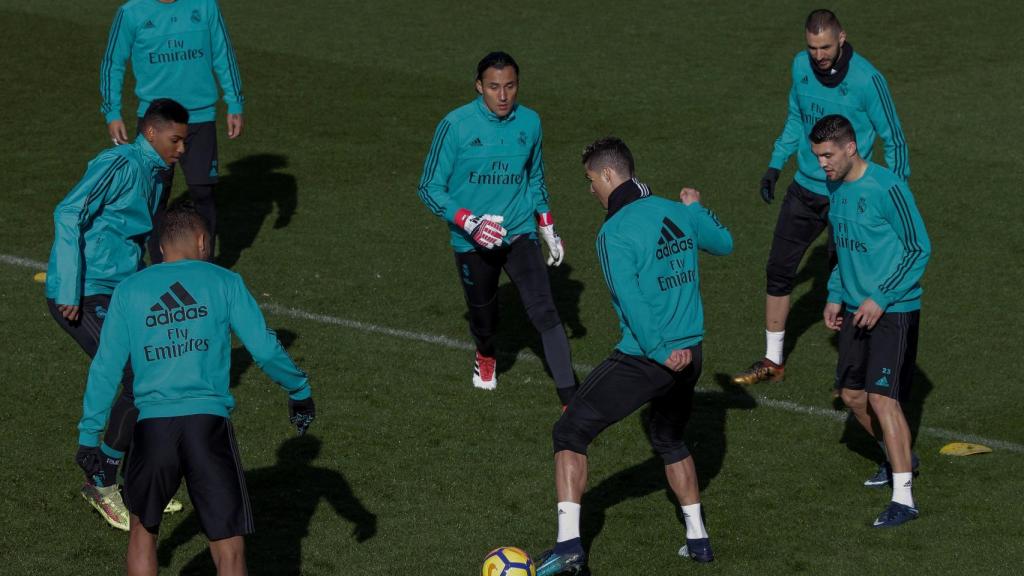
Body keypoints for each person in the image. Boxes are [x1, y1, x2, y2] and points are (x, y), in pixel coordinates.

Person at [75, 202, 316, 575]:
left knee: (143, 530)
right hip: (208, 428)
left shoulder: (129, 290)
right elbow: (265, 349)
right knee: (228, 545)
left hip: (152, 429)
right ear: (203, 241)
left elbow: (105, 368)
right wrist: (299, 390)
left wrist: (90, 436)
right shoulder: (224, 281)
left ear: (158, 248)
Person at [536, 138, 733, 575]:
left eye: (590, 180)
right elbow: (725, 243)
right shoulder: (677, 212)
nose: (590, 190)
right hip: (693, 355)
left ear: (608, 175)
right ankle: (699, 540)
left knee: (569, 432)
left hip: (649, 358)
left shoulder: (614, 232)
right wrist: (696, 208)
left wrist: (662, 353)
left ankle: (569, 547)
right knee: (669, 439)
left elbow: (632, 302)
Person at [733, 9, 910, 390]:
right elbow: (796, 117)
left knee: (850, 281)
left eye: (825, 47)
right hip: (805, 189)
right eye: (812, 47)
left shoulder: (868, 79)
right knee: (778, 269)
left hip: (847, 193)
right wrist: (775, 164)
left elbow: (894, 138)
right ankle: (773, 359)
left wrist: (894, 193)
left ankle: (854, 370)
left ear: (842, 38)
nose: (818, 55)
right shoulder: (800, 66)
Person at [46, 98, 189, 530]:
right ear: (151, 132)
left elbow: (139, 237)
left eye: (185, 141)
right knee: (139, 376)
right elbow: (68, 211)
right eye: (176, 140)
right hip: (83, 293)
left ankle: (136, 480)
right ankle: (101, 479)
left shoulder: (160, 172)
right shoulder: (120, 163)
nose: (182, 149)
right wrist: (69, 283)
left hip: (121, 290)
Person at [416, 51, 577, 404]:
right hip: (472, 242)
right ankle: (485, 354)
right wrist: (469, 222)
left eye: (510, 86)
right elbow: (429, 187)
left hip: (519, 231)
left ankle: (570, 398)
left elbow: (534, 177)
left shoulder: (530, 122)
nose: (503, 96)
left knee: (546, 311)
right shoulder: (455, 126)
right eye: (493, 87)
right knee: (485, 320)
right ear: (479, 87)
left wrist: (546, 223)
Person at [810, 114, 930, 528]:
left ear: (850, 148)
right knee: (852, 397)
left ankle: (904, 499)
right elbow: (843, 246)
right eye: (817, 156)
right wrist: (835, 294)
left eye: (827, 156)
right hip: (856, 308)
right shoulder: (835, 186)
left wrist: (880, 297)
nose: (822, 164)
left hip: (893, 309)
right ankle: (900, 459)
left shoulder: (888, 188)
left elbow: (918, 249)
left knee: (883, 398)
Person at [100, 0, 245, 263]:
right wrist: (112, 111)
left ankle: (204, 264)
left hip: (199, 118)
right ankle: (159, 264)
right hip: (157, 121)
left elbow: (223, 52)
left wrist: (234, 101)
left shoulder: (205, 6)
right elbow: (113, 63)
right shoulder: (131, 13)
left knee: (202, 191)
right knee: (154, 196)